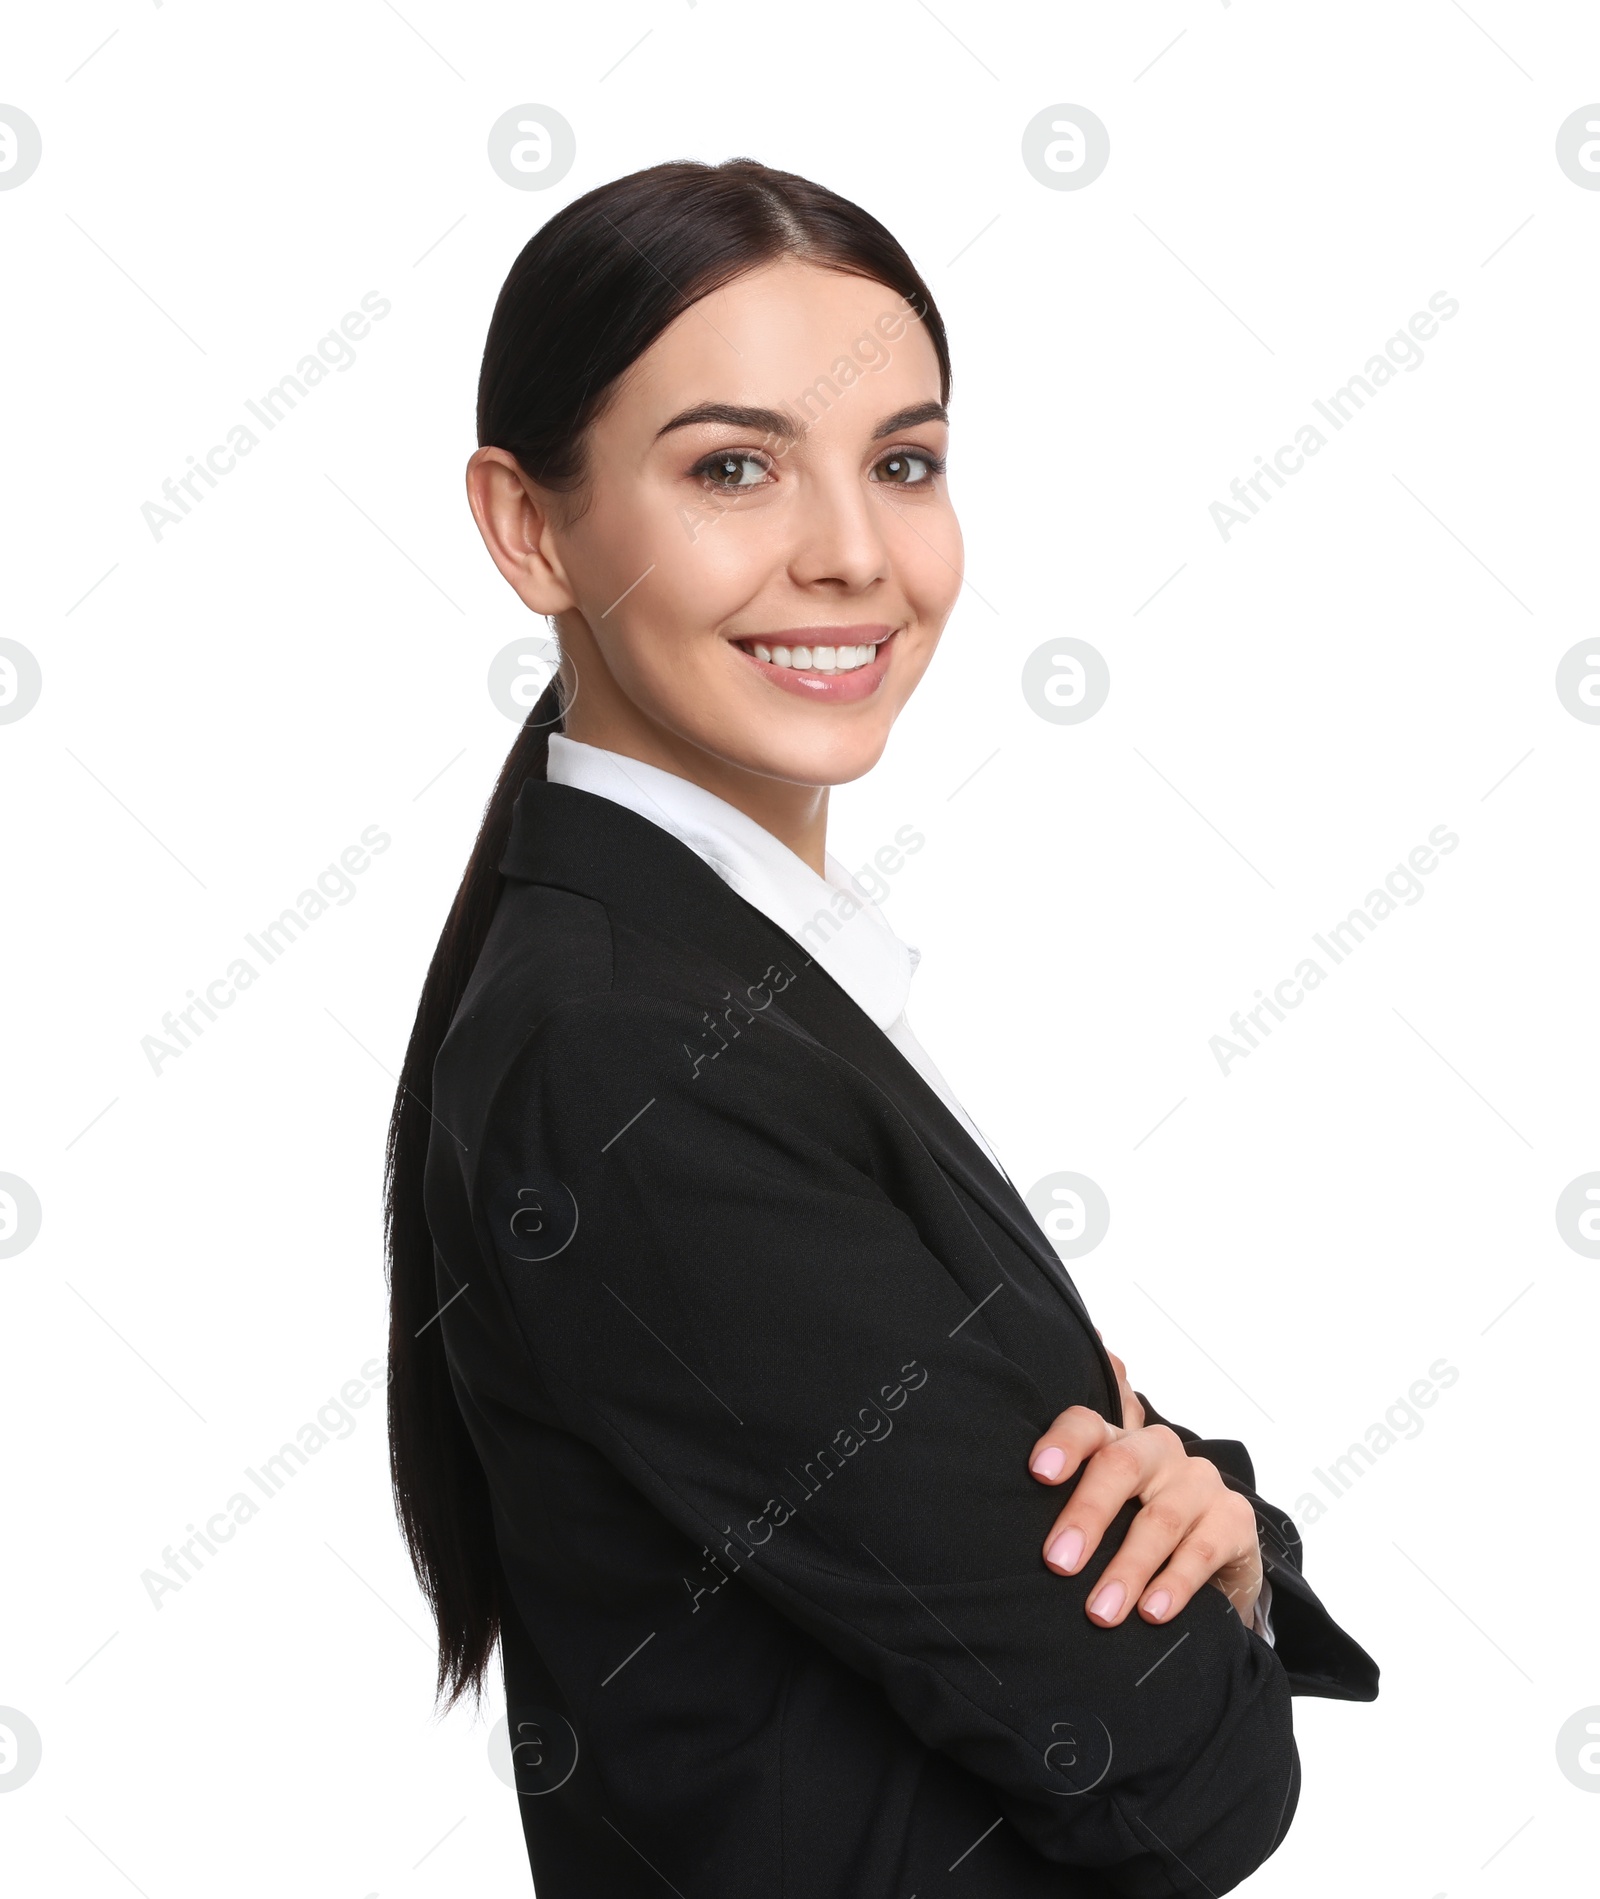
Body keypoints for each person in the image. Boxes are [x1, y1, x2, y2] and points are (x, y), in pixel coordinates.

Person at [384, 157, 1377, 1896]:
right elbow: (1166, 1767)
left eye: (902, 463)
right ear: (529, 524)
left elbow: (1082, 1490)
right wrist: (1205, 1605)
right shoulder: (630, 1063)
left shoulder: (719, 980)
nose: (852, 554)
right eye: (732, 468)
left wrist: (1216, 1521)